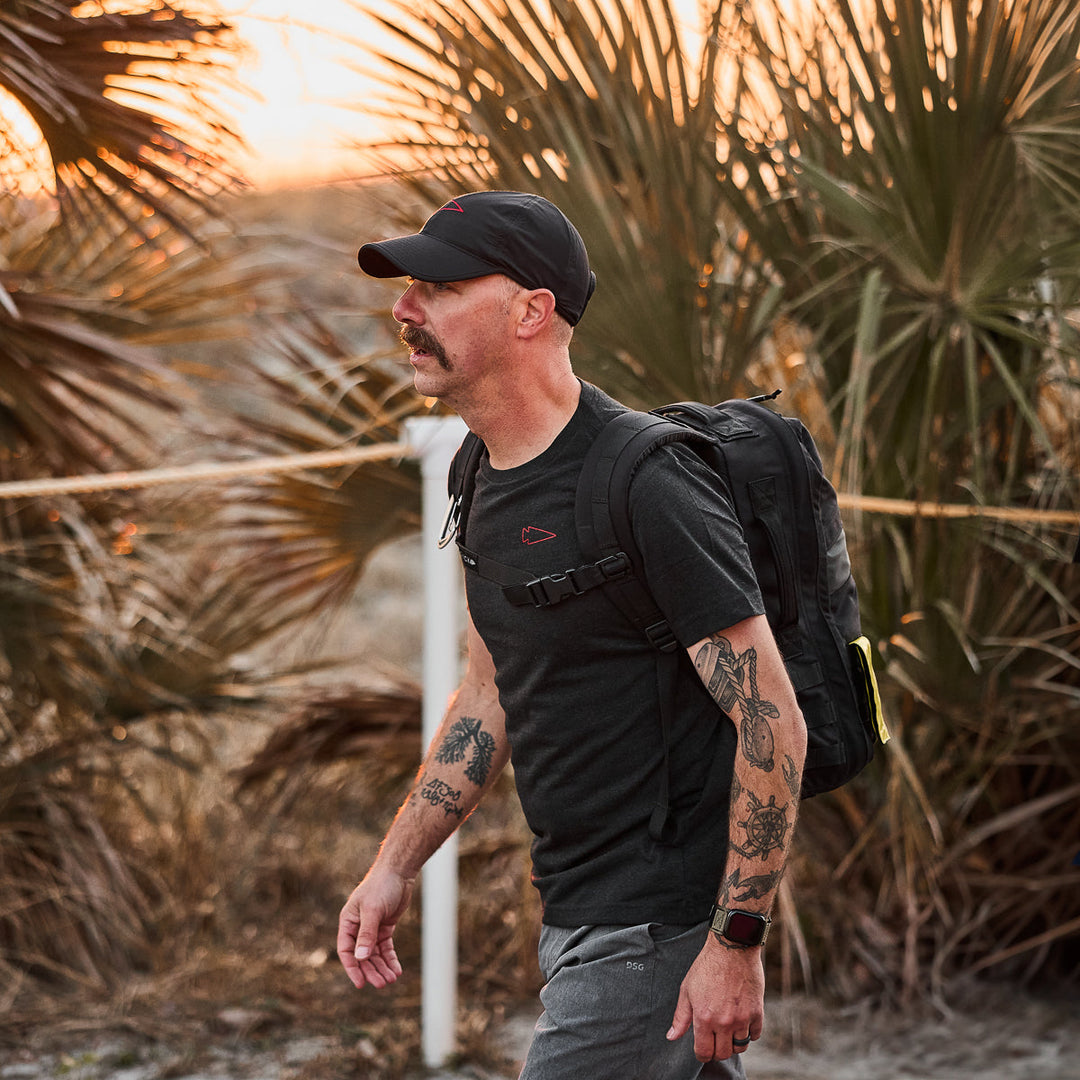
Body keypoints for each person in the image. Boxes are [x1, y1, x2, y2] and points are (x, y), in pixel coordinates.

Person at [337, 190, 808, 1079]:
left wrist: (734, 943)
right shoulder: (479, 472)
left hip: (651, 933)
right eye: (407, 289)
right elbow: (489, 693)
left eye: (436, 287)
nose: (404, 308)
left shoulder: (645, 481)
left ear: (531, 311)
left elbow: (771, 721)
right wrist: (394, 867)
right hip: (576, 914)